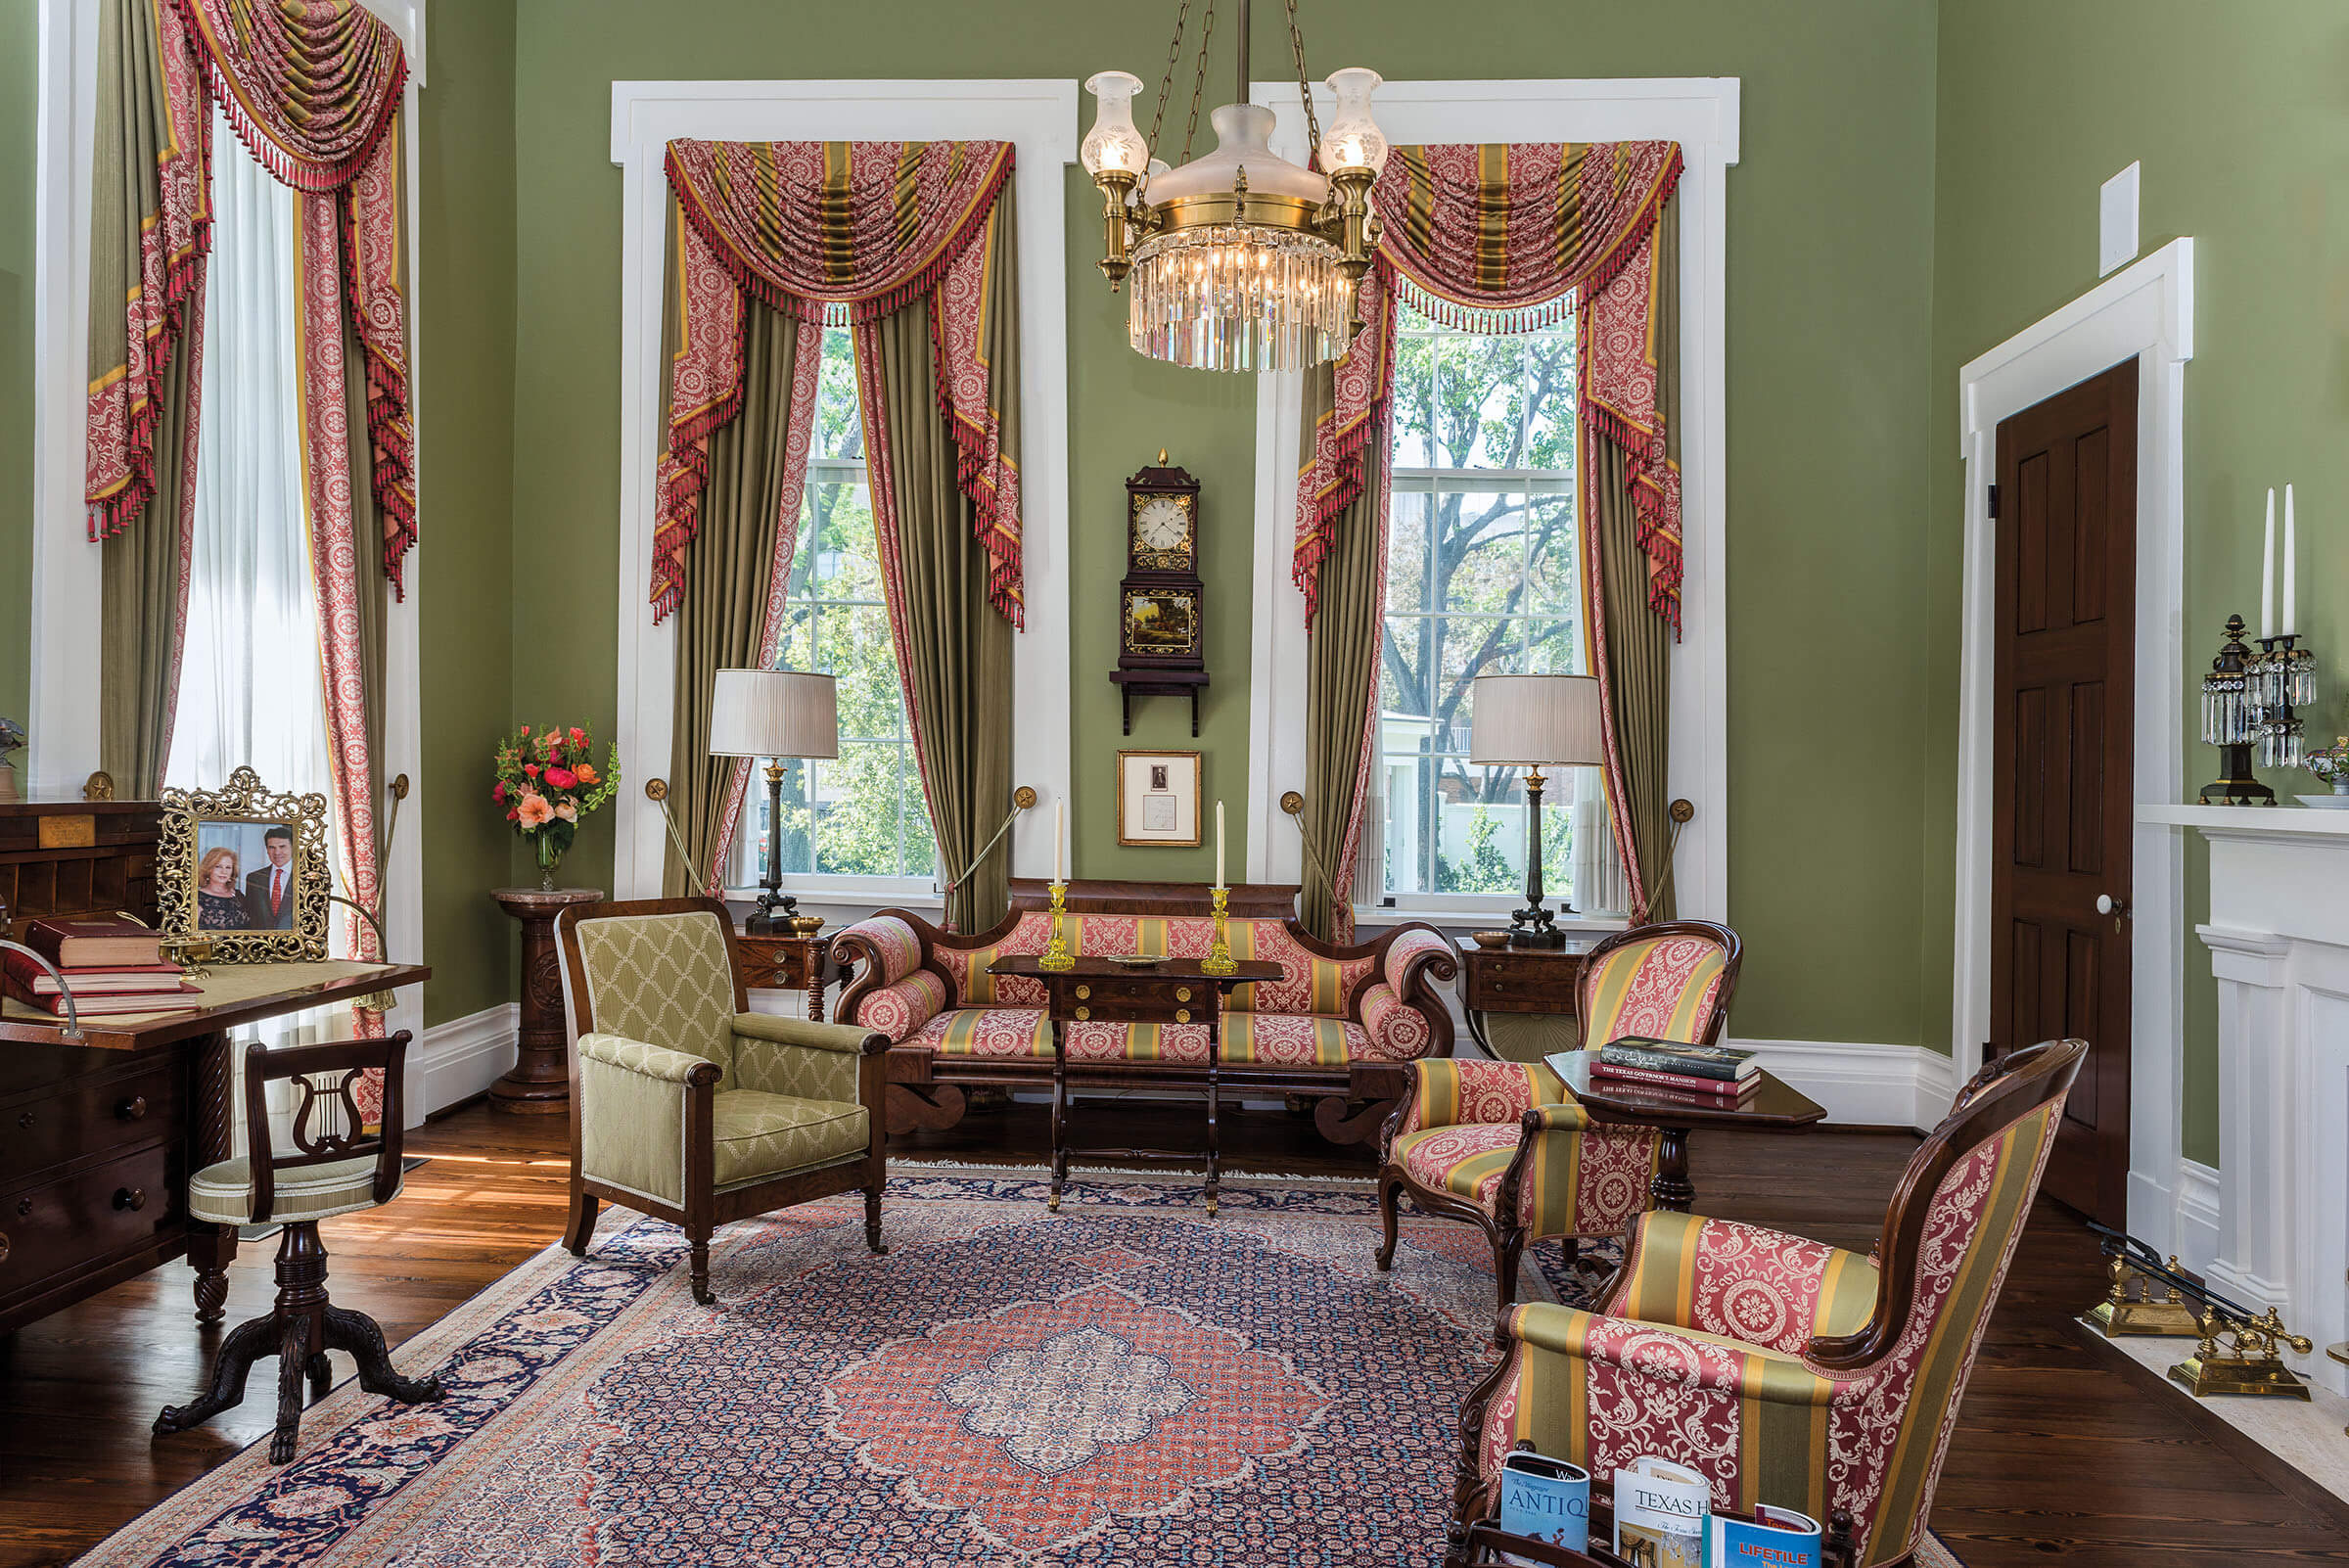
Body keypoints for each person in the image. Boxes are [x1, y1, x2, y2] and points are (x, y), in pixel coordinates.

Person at [244, 826, 298, 930]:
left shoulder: (303, 876)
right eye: (272, 847)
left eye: (282, 847)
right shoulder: (253, 878)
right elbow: (251, 916)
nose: (277, 852)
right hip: (261, 942)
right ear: (267, 850)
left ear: (292, 847)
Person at [196, 847, 250, 931]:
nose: (224, 872)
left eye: (228, 867)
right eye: (218, 866)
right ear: (208, 869)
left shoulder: (239, 896)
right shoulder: (197, 898)